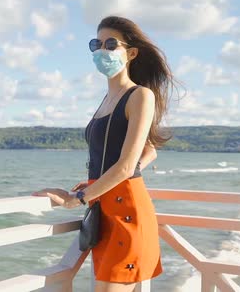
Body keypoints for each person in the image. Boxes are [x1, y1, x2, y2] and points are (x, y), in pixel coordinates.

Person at [33, 16, 174, 292]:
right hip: (105, 212)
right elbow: (147, 152)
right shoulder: (106, 100)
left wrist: (78, 198)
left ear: (131, 53)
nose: (102, 50)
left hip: (127, 213)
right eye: (96, 44)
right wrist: (97, 186)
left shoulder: (140, 95)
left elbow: (125, 166)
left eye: (111, 44)